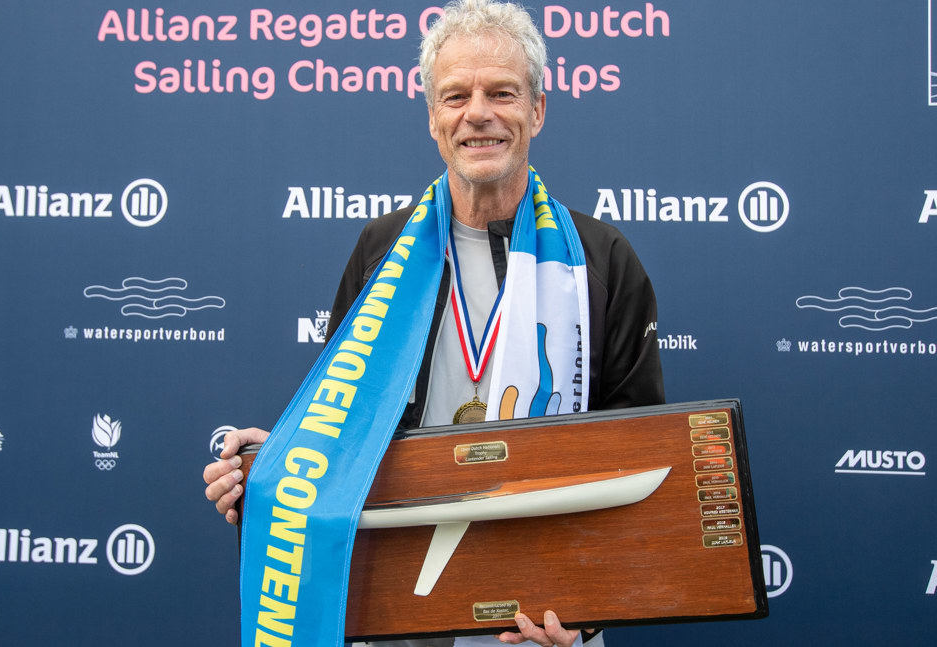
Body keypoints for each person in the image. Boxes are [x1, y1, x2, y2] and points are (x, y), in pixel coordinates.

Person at [203, 1, 664, 646]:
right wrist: (271, 467)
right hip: (399, 611)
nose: (478, 113)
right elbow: (342, 429)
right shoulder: (380, 252)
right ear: (432, 118)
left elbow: (639, 458)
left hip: (544, 615)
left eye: (502, 92)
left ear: (537, 110)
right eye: (456, 96)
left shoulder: (602, 260)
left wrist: (588, 612)